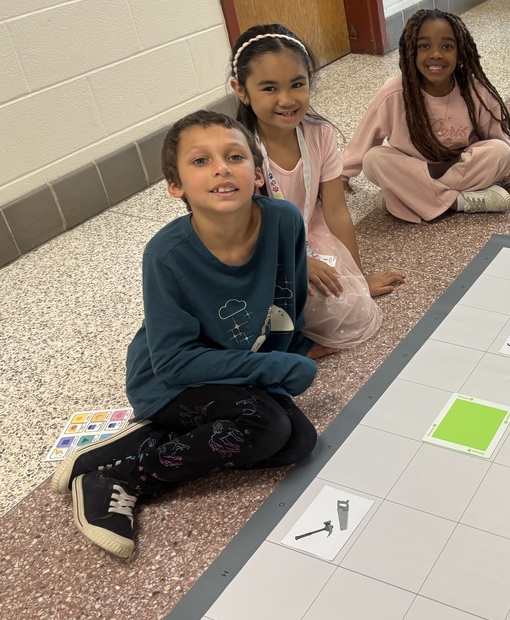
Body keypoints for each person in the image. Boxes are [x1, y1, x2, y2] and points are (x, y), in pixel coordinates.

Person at [52, 111, 320, 559]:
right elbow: (174, 361)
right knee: (266, 426)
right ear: (176, 186)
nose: (221, 167)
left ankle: (141, 441)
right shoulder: (165, 254)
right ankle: (118, 478)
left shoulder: (284, 221)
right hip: (169, 379)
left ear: (257, 174)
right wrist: (273, 367)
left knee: (298, 441)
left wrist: (285, 360)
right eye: (201, 161)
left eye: (234, 156)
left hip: (234, 372)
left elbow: (286, 302)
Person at [230, 24, 404, 355]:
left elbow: (336, 212)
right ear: (241, 90)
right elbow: (241, 234)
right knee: (252, 317)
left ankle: (289, 337)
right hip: (259, 249)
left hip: (309, 235)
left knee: (351, 306)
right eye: (269, 88)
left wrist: (359, 277)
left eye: (297, 84)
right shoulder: (238, 149)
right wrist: (298, 264)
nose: (286, 100)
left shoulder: (319, 133)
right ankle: (292, 345)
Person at [340, 9, 510, 223]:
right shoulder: (394, 92)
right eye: (424, 46)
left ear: (460, 53)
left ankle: (407, 199)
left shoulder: (477, 92)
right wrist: (340, 176)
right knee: (374, 160)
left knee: (500, 152)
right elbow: (363, 141)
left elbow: (499, 138)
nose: (435, 54)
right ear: (411, 53)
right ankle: (458, 202)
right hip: (413, 169)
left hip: (460, 169)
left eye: (447, 47)